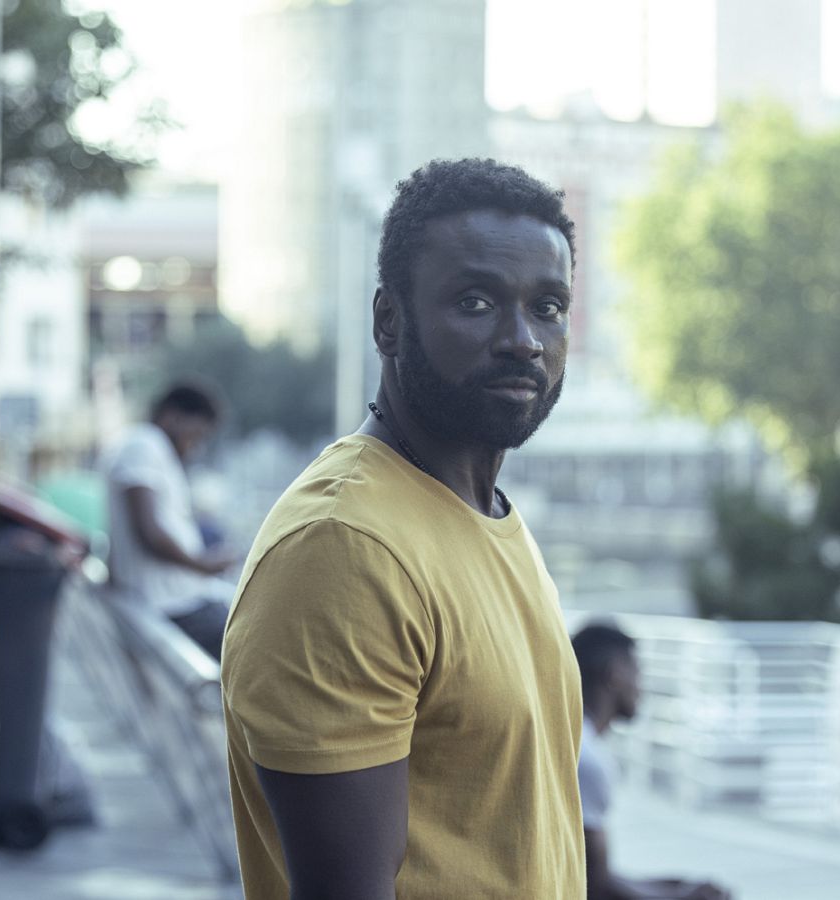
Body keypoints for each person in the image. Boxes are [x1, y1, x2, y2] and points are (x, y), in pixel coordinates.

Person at [220, 158, 586, 898]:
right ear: (390, 321)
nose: (524, 339)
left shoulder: (483, 511)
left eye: (548, 307)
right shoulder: (344, 548)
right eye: (477, 302)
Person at [573, 623, 733, 900]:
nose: (640, 686)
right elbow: (593, 888)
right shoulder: (588, 761)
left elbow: (591, 873)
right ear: (614, 673)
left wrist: (672, 887)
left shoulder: (574, 741)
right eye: (637, 671)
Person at [103, 384, 235, 659]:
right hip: (172, 606)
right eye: (195, 435)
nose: (194, 446)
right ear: (172, 417)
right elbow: (149, 532)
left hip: (179, 601)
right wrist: (203, 565)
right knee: (259, 639)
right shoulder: (144, 445)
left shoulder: (152, 448)